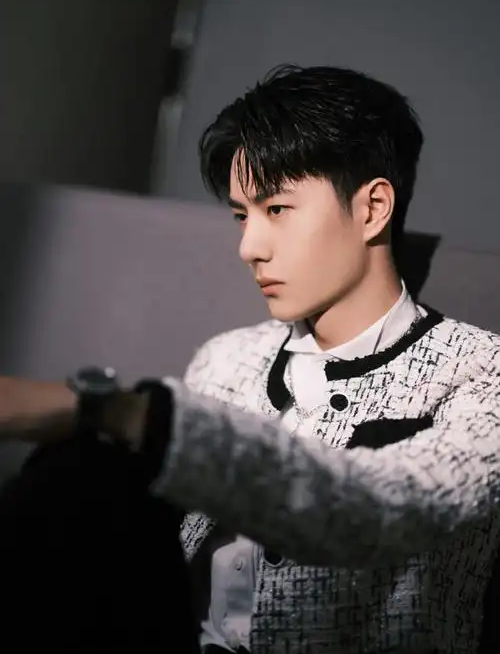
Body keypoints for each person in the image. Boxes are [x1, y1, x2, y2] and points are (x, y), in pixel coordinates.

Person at [1, 64, 500, 654]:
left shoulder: (481, 370)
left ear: (372, 208)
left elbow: (378, 508)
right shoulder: (228, 358)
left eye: (278, 209)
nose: (249, 247)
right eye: (242, 215)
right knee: (78, 470)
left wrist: (118, 410)